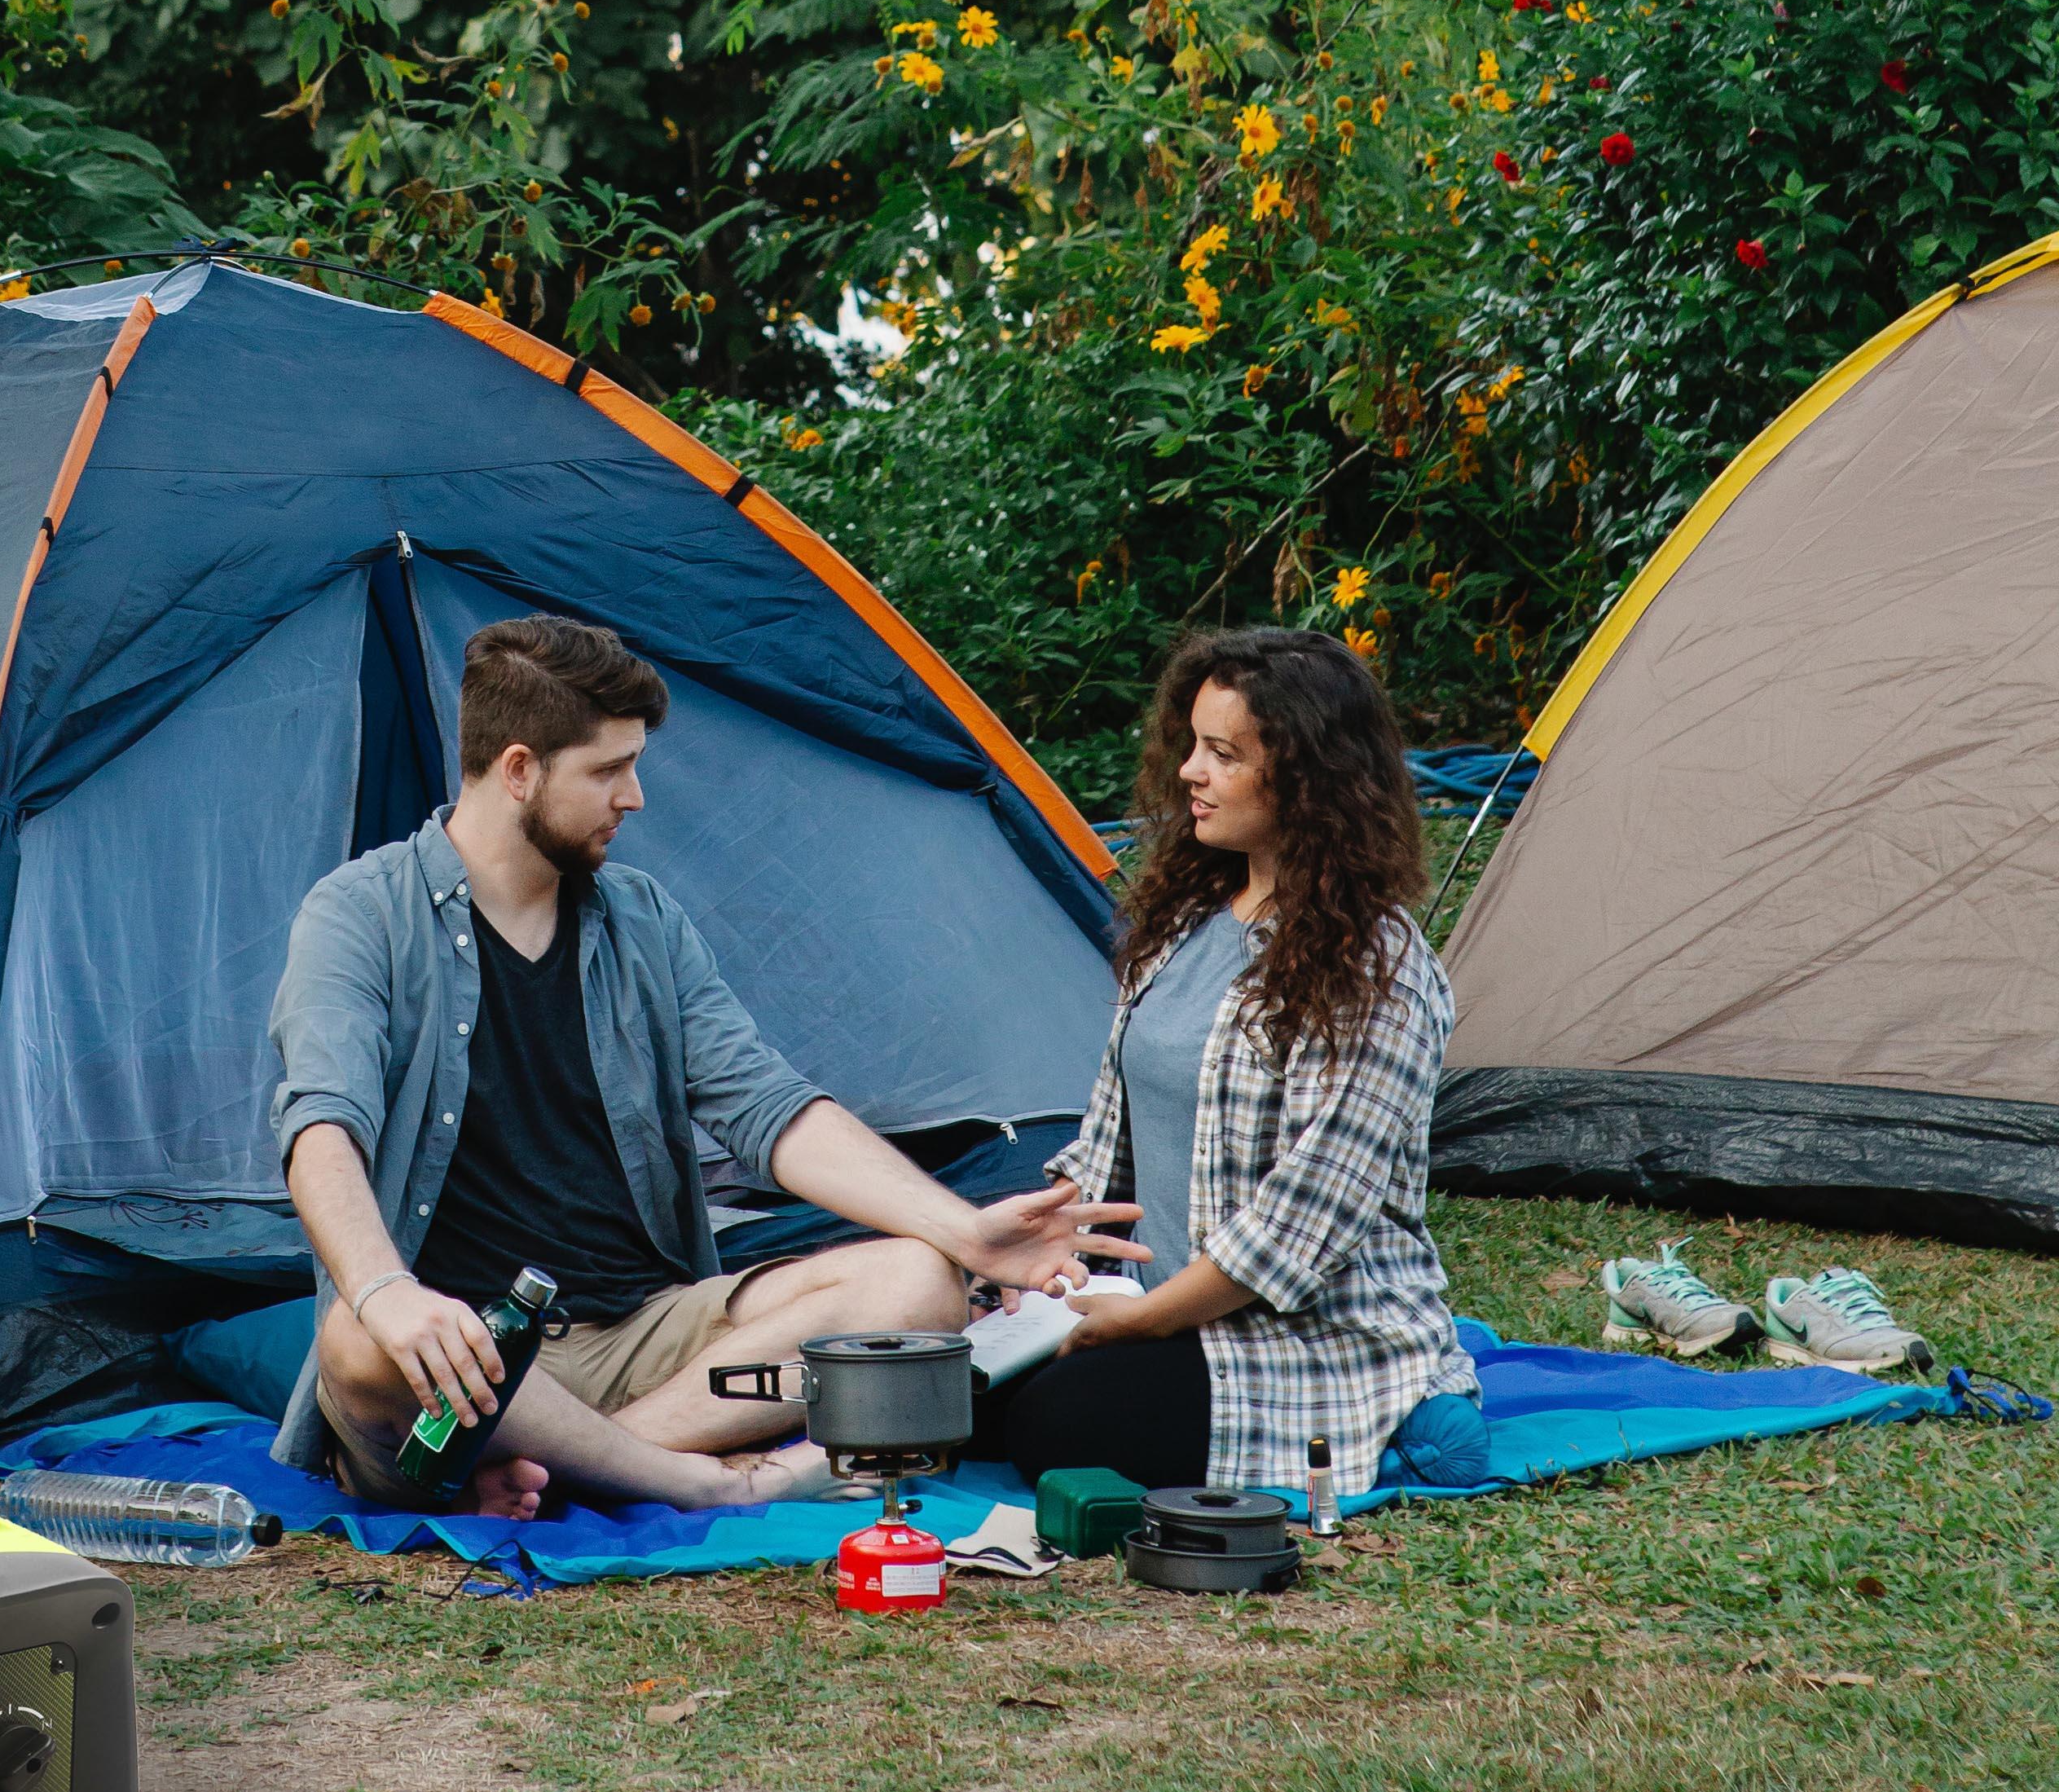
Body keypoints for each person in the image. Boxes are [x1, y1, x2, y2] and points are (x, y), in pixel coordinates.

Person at [266, 614, 1143, 1519]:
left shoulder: (640, 919)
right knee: (356, 1342)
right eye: (608, 770)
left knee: (920, 1284)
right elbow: (322, 1131)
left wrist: (966, 1235)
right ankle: (697, 1478)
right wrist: (388, 1292)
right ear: (520, 769)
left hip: (651, 1341)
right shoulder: (359, 916)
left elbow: (768, 1107)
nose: (635, 796)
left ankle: (584, 1467)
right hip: (465, 1361)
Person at [990, 625, 1479, 1498]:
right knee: (954, 1375)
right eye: (1192, 746)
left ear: (1306, 774)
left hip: (1290, 1327)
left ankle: (1412, 1400)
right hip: (1150, 1304)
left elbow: (1305, 1221)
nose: (1190, 773)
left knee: (1057, 1425)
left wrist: (1136, 1325)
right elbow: (1107, 1144)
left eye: (1223, 753)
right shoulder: (1184, 922)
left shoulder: (1380, 967)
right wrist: (1044, 1258)